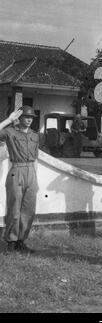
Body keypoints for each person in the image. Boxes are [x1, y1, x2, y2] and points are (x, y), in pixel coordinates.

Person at [0, 106, 39, 253]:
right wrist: (9, 120)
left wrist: (36, 178)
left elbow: (36, 158)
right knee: (14, 208)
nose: (29, 120)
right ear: (19, 118)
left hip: (31, 172)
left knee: (28, 209)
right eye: (26, 117)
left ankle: (21, 241)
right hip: (16, 170)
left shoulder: (35, 135)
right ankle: (11, 241)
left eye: (31, 117)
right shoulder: (10, 132)